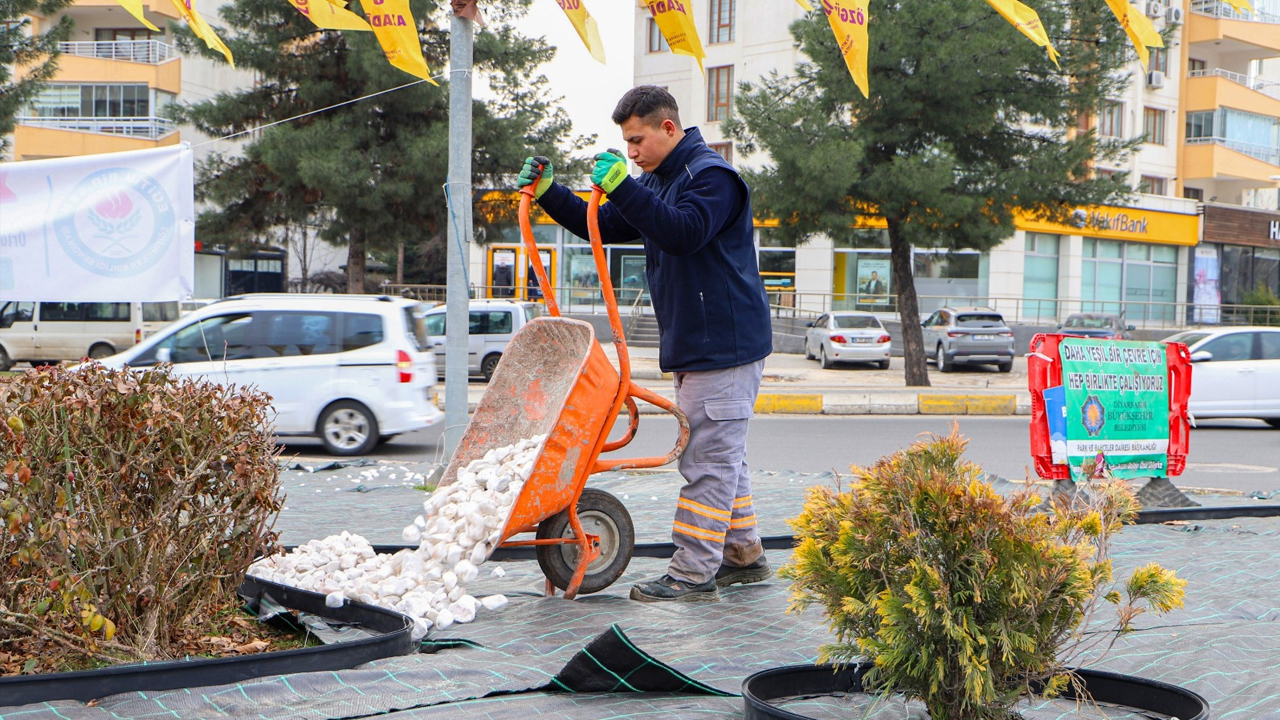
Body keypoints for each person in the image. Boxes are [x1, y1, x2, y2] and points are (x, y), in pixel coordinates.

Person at [517, 85, 773, 603]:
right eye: (626, 144)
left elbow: (683, 232)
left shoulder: (712, 179)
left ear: (668, 129)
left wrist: (625, 187)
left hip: (724, 346)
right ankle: (743, 556)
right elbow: (608, 224)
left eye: (637, 141)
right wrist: (550, 192)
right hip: (702, 344)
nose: (631, 153)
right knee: (721, 456)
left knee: (707, 462)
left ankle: (692, 573)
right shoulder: (663, 181)